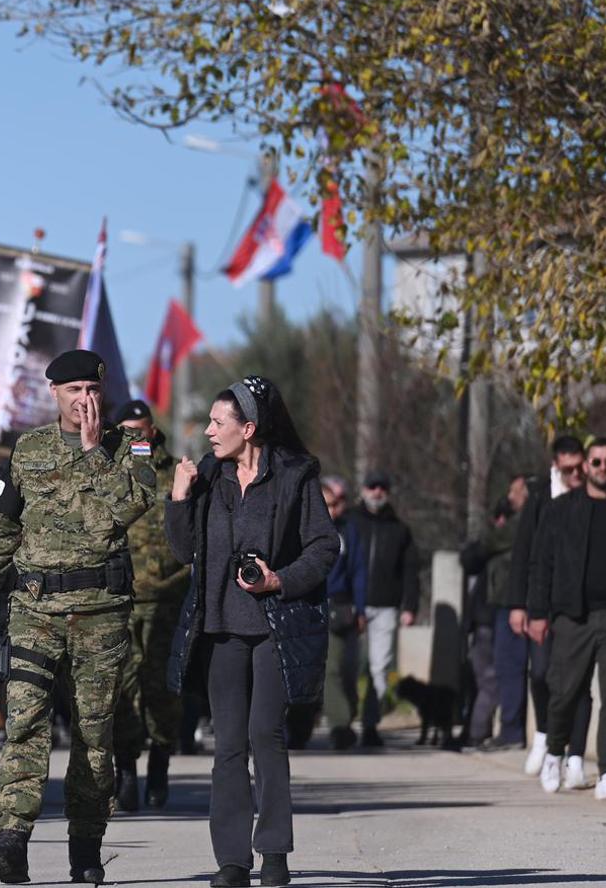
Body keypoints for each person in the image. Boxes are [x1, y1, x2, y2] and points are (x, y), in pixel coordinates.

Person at [0, 349, 156, 886]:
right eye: (74, 391)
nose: (84, 400)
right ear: (55, 394)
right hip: (34, 610)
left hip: (101, 612)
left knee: (94, 735)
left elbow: (131, 506)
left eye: (92, 390)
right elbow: (0, 529)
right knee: (24, 722)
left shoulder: (130, 445)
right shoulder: (29, 450)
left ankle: (86, 845)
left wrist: (96, 452)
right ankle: (11, 840)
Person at [166, 376, 338, 888]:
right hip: (219, 627)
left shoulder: (295, 477)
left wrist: (278, 580)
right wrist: (178, 497)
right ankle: (232, 863)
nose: (209, 431)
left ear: (249, 426)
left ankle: (275, 854)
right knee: (228, 746)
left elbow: (324, 548)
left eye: (219, 423)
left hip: (273, 628)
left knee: (267, 735)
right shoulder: (209, 479)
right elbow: (184, 552)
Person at [527, 438, 606, 801]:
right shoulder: (561, 510)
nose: (602, 467)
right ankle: (555, 753)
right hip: (573, 615)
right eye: (597, 461)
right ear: (586, 466)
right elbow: (541, 563)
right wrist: (537, 613)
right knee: (564, 692)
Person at [110, 399, 187, 808]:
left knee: (160, 686)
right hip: (119, 596)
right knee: (120, 686)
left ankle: (160, 756)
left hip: (167, 595)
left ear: (154, 431)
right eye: (127, 432)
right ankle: (125, 766)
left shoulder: (177, 473)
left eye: (140, 431)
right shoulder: (108, 471)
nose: (135, 439)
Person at [508, 437, 593, 780]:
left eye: (579, 467)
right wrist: (519, 605)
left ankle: (575, 755)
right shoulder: (541, 496)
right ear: (556, 464)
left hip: (581, 604)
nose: (575, 474)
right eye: (567, 468)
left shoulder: (596, 496)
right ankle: (543, 734)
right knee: (541, 673)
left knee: (579, 681)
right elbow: (523, 551)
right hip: (543, 600)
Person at [349, 471, 419, 747]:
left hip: (386, 607)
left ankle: (370, 724)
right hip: (352, 605)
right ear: (363, 489)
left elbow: (410, 571)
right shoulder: (351, 522)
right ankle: (342, 718)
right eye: (372, 486)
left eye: (382, 487)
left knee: (379, 668)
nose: (377, 491)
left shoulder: (399, 529)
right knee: (347, 666)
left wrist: (410, 606)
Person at [460, 498, 517, 747]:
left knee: (490, 680)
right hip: (484, 621)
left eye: (509, 518)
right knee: (486, 680)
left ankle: (476, 731)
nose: (504, 523)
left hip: (499, 620)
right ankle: (475, 732)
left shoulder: (513, 546)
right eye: (500, 518)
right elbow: (468, 560)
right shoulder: (488, 547)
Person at [319, 476, 367, 751]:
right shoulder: (305, 527)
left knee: (349, 669)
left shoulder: (349, 530)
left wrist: (360, 609)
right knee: (330, 669)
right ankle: (339, 724)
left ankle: (346, 716)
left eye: (337, 504)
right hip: (315, 605)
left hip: (343, 606)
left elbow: (359, 571)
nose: (334, 510)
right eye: (328, 504)